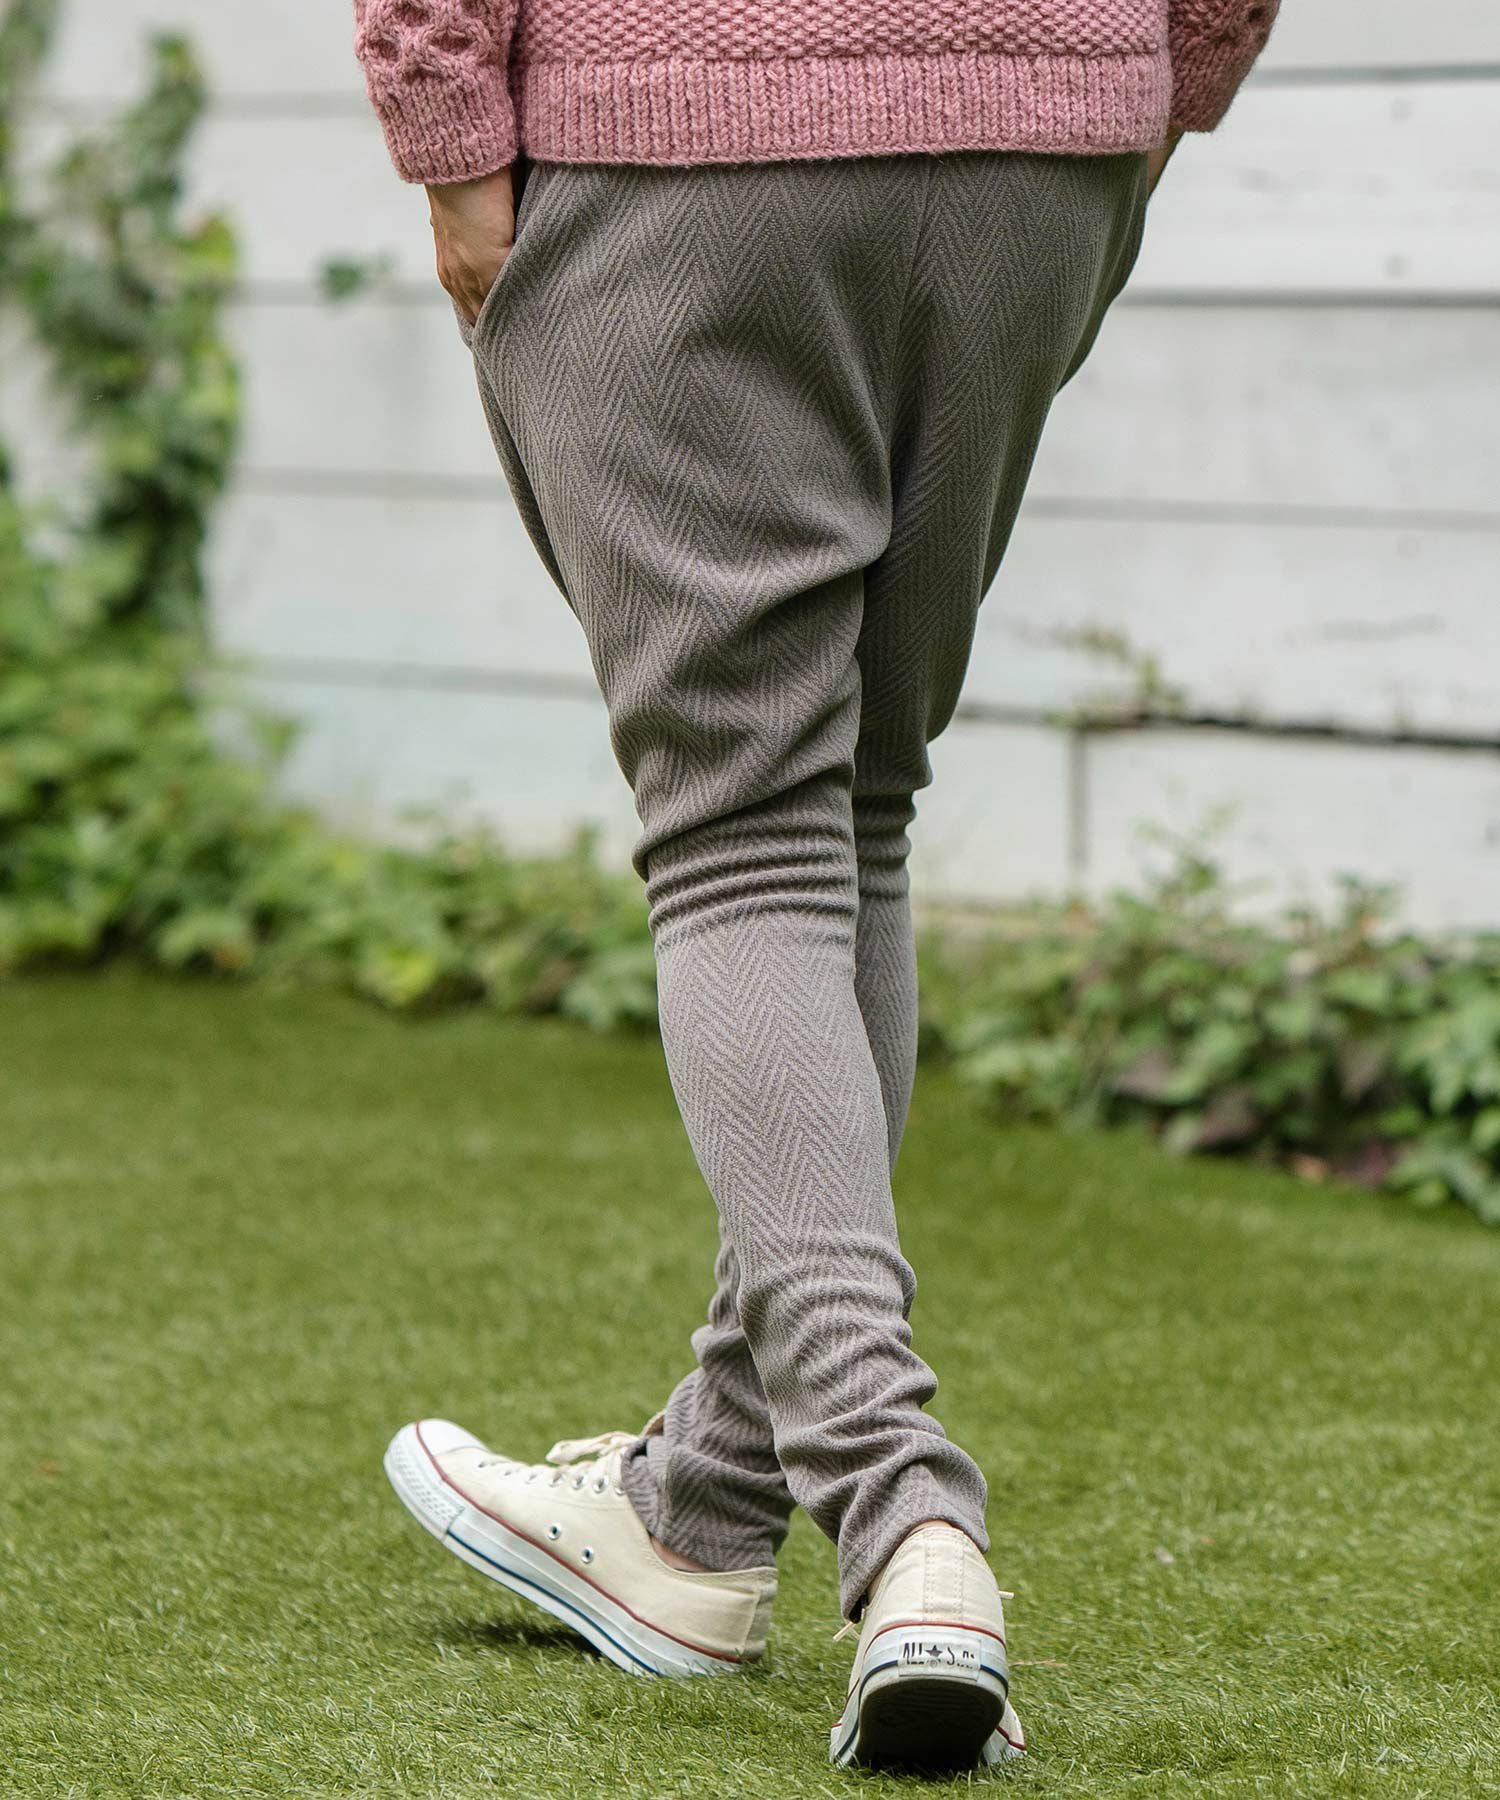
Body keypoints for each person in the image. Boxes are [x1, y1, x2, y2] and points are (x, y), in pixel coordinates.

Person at [354, 0, 1278, 1772]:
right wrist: (1167, 71)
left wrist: (446, 123)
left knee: (748, 829)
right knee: (854, 809)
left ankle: (903, 1507)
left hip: (683, 121)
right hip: (1044, 136)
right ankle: (700, 1514)